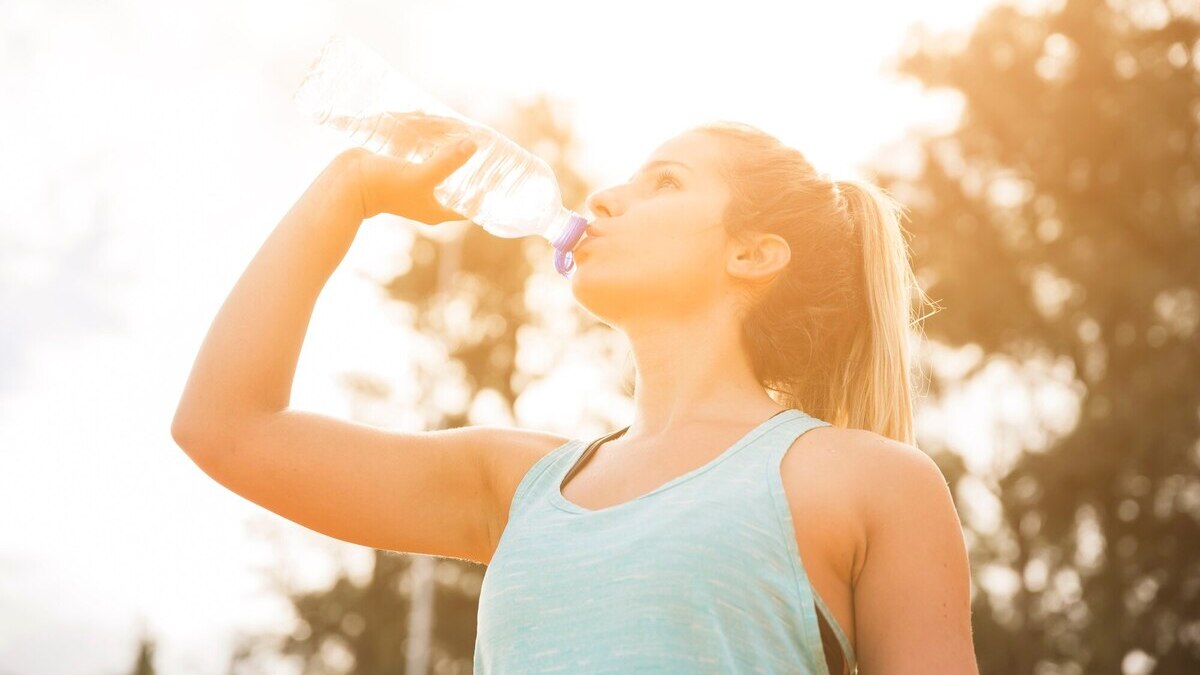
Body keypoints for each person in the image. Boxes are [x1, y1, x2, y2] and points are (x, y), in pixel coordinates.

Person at [172, 120, 979, 674]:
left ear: (754, 253)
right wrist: (349, 188)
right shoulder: (517, 484)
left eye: (664, 182)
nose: (603, 199)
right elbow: (226, 425)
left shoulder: (867, 481)